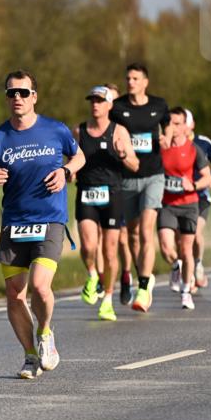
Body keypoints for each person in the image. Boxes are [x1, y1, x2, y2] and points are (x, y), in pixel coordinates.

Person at [0, 70, 85, 379]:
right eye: (12, 93)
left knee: (39, 286)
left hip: (49, 219)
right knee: (14, 295)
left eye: (23, 92)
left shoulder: (55, 130)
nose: (17, 98)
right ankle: (30, 356)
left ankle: (46, 333)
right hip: (14, 223)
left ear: (34, 96)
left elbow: (80, 157)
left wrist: (66, 171)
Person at [109, 62, 172, 312]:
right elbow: (108, 131)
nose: (130, 82)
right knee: (132, 235)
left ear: (145, 81)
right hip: (126, 178)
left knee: (147, 230)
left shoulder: (159, 105)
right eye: (128, 78)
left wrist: (166, 134)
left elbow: (167, 122)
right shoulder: (118, 108)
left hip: (154, 175)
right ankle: (139, 274)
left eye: (135, 78)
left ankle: (144, 287)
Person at [73, 85, 139, 321]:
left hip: (112, 194)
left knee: (110, 250)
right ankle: (92, 275)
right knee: (89, 246)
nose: (95, 104)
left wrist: (122, 154)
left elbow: (135, 165)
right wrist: (70, 171)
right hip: (86, 192)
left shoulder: (119, 131)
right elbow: (73, 158)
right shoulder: (79, 131)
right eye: (92, 100)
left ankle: (108, 299)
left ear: (109, 105)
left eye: (100, 101)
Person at [157, 107, 211, 310]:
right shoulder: (161, 148)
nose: (173, 127)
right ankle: (175, 266)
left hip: (189, 205)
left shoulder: (193, 149)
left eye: (177, 123)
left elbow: (208, 177)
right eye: (170, 123)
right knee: (165, 246)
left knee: (186, 249)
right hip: (167, 204)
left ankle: (186, 291)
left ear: (184, 127)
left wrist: (194, 185)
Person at [183, 109, 211, 288]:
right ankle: (188, 274)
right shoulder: (172, 144)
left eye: (185, 122)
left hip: (201, 196)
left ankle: (198, 264)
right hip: (180, 198)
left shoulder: (203, 142)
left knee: (196, 234)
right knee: (183, 239)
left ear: (192, 124)